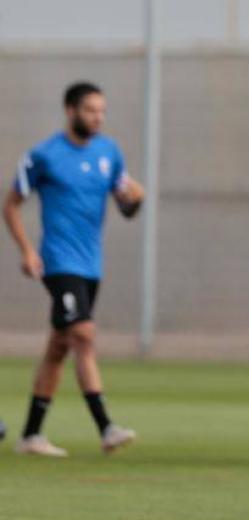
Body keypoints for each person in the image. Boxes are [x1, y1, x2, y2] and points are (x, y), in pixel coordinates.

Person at [4, 81, 143, 457]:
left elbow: (125, 206)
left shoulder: (109, 152)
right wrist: (28, 250)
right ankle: (106, 427)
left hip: (90, 264)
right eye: (90, 110)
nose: (97, 118)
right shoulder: (45, 155)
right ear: (70, 111)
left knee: (59, 347)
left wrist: (136, 200)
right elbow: (11, 203)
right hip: (58, 260)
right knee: (83, 334)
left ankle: (31, 435)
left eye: (102, 111)